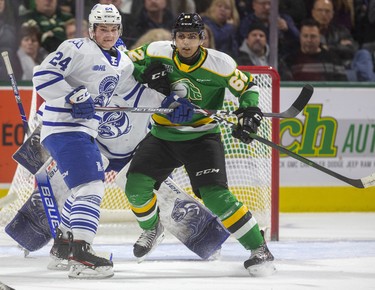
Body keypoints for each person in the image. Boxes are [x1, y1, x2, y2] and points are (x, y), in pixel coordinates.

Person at [124, 12, 276, 277]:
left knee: (216, 197)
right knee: (135, 186)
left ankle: (258, 248)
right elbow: (122, 63)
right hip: (163, 134)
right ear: (174, 37)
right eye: (181, 36)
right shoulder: (156, 51)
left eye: (192, 36)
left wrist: (249, 113)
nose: (186, 42)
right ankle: (151, 228)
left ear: (202, 39)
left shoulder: (220, 64)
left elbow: (248, 86)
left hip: (201, 137)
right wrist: (145, 73)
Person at [32, 3, 162, 279]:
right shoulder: (76, 48)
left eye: (113, 28)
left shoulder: (123, 60)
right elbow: (42, 76)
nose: (108, 34)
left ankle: (63, 246)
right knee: (91, 186)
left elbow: (134, 90)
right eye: (103, 28)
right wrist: (73, 95)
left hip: (85, 131)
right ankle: (81, 254)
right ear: (92, 30)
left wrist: (169, 98)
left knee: (84, 187)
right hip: (64, 126)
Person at [280, 18, 348, 81]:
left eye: (313, 36)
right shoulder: (290, 60)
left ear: (319, 37)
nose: (309, 40)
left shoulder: (332, 58)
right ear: (300, 37)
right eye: (305, 36)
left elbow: (342, 85)